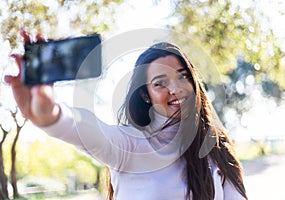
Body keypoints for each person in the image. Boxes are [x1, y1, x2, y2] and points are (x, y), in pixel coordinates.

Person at [5, 31, 248, 200]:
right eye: (160, 83)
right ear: (146, 96)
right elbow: (87, 131)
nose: (175, 89)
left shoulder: (216, 147)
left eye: (182, 76)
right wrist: (50, 114)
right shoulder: (130, 145)